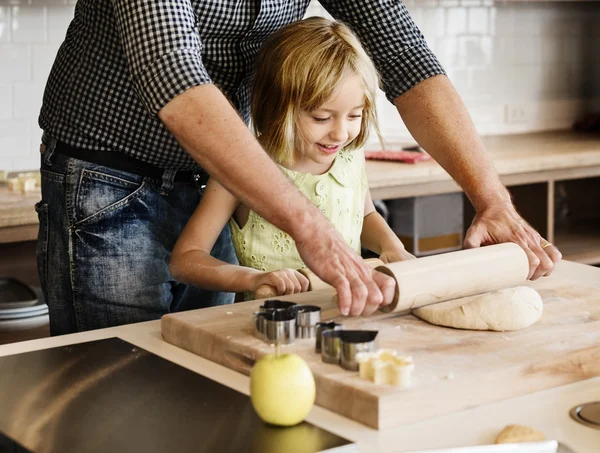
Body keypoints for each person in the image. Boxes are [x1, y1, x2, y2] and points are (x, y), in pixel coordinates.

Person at [37, 1, 561, 335]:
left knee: (207, 373)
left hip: (227, 173)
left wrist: (491, 198)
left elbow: (404, 54)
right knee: (126, 387)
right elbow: (171, 68)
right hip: (108, 177)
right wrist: (311, 225)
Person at [169, 18, 415, 302]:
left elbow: (366, 216)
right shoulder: (241, 168)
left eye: (354, 115)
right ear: (277, 107)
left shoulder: (349, 157)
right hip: (272, 325)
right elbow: (185, 260)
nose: (340, 132)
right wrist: (254, 278)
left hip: (345, 313)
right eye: (321, 117)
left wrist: (390, 245)